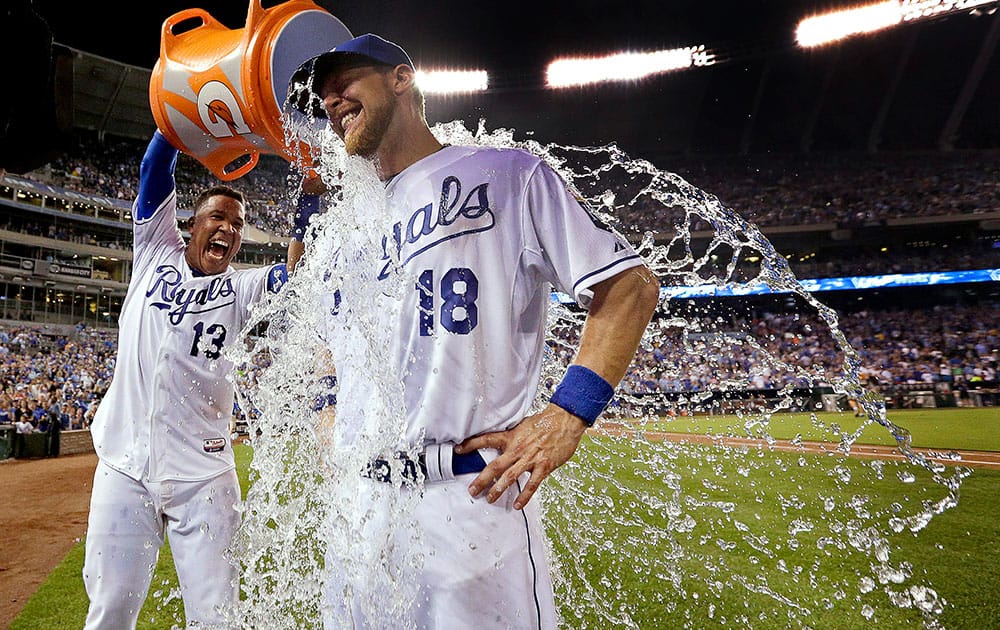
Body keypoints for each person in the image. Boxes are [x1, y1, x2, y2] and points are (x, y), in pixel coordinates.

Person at [288, 34, 660, 628]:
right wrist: (330, 414)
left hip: (470, 499)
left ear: (401, 78)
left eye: (343, 80)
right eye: (321, 94)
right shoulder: (346, 228)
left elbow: (629, 288)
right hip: (360, 511)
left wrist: (569, 414)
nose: (330, 100)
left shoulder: (506, 173)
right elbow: (327, 344)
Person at [82, 128, 287, 629]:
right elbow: (155, 168)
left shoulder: (242, 287)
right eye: (218, 217)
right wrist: (176, 113)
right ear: (190, 224)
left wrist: (308, 208)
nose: (229, 229)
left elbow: (296, 275)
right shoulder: (155, 251)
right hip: (125, 464)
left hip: (204, 477)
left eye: (237, 224)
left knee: (217, 618)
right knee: (110, 609)